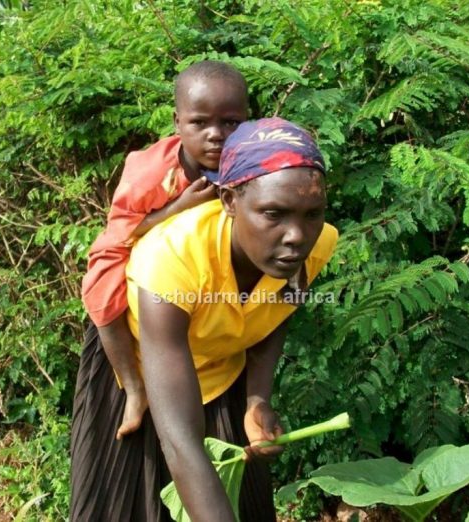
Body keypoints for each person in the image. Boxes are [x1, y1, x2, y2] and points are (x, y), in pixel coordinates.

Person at [70, 117, 339, 521]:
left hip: (221, 368)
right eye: (273, 213)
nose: (297, 236)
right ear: (230, 202)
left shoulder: (316, 246)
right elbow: (180, 440)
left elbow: (274, 310)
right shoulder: (172, 256)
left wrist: (256, 398)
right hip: (140, 368)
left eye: (311, 214)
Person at [80, 61, 249, 439]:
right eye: (200, 123)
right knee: (101, 290)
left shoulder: (249, 160)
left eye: (230, 123)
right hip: (136, 246)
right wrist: (177, 208)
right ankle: (134, 389)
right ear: (177, 122)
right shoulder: (150, 171)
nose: (215, 135)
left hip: (203, 284)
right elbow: (124, 226)